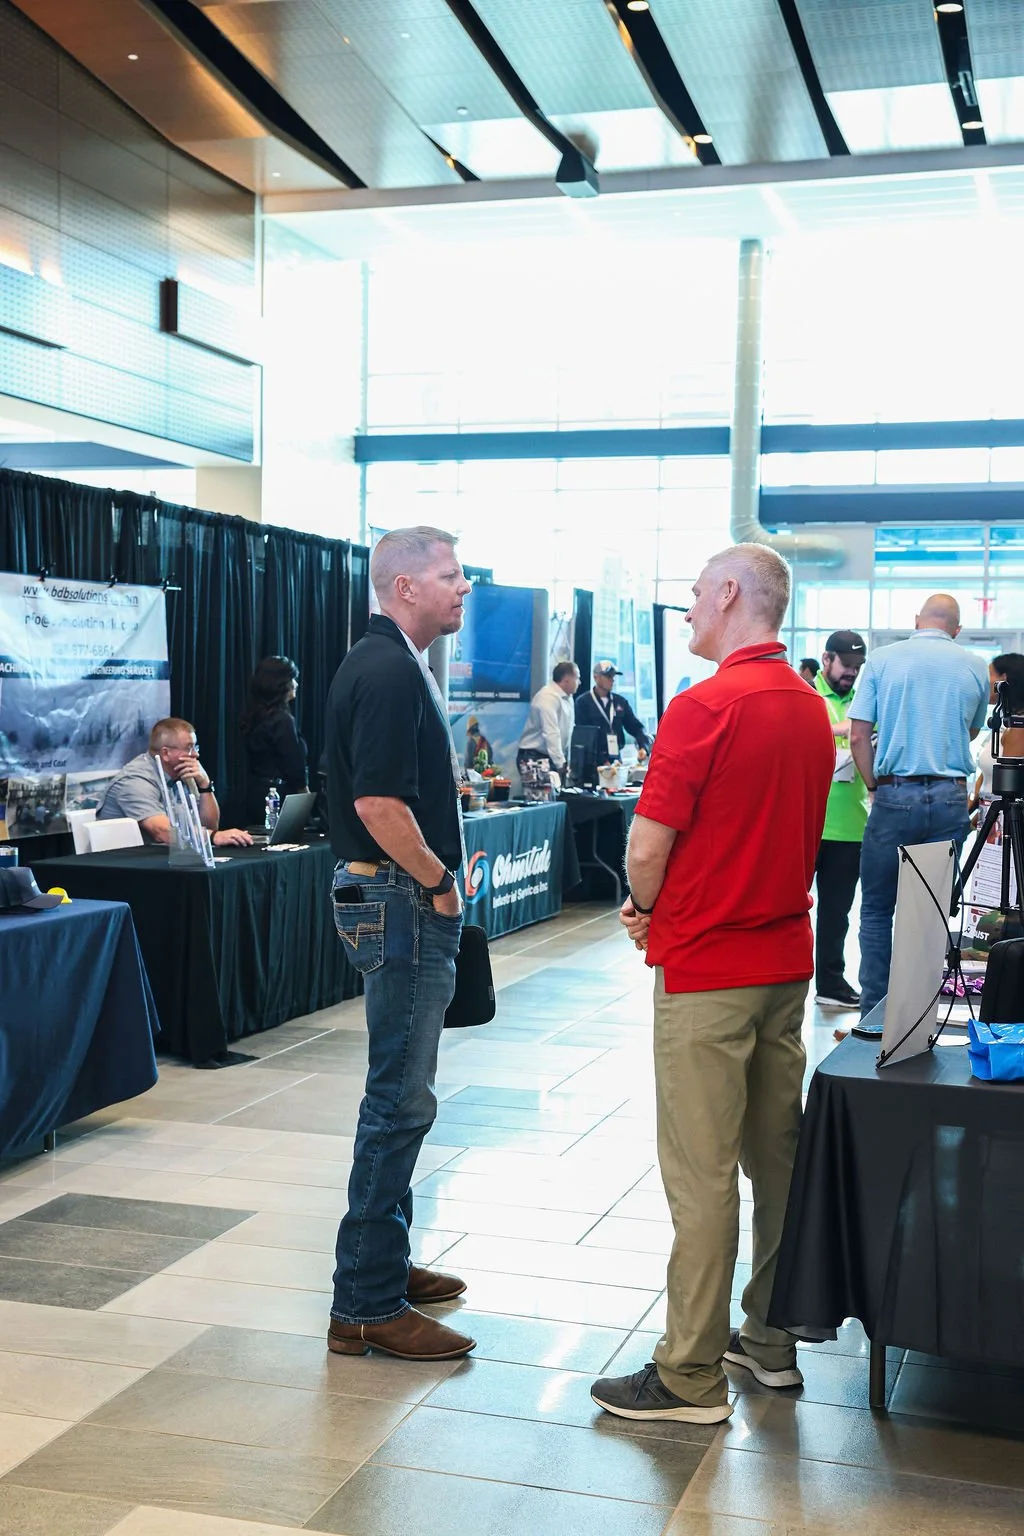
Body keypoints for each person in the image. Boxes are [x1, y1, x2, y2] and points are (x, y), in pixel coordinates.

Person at [590, 543, 834, 1426]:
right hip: (782, 965)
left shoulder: (704, 708)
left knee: (700, 1177)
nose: (689, 609)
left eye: (696, 594)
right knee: (778, 1161)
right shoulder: (812, 709)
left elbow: (647, 845)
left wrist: (642, 908)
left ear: (731, 594)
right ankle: (767, 1341)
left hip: (707, 972)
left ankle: (687, 1375)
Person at [324, 525, 475, 1364]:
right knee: (400, 1098)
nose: (464, 588)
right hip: (398, 897)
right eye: (450, 576)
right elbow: (382, 806)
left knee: (402, 1094)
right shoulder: (386, 669)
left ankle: (382, 1259)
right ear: (405, 586)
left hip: (388, 894)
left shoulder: (383, 660)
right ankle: (367, 1302)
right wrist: (437, 880)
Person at [849, 594, 988, 1021]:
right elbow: (970, 730)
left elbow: (857, 736)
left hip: (894, 795)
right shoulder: (974, 665)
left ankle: (874, 1015)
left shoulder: (883, 660)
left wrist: (875, 786)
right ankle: (919, 1018)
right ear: (957, 629)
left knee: (876, 908)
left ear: (916, 621)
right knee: (930, 914)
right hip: (949, 798)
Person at [812, 630, 869, 1011]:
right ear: (826, 659)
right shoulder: (808, 697)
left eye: (857, 668)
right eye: (846, 666)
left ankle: (830, 982)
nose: (851, 673)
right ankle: (783, 980)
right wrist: (840, 730)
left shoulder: (863, 701)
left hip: (850, 826)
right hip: (809, 823)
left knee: (837, 912)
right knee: (788, 908)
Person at [97, 718, 252, 847]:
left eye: (195, 747)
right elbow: (163, 832)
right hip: (121, 867)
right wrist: (214, 837)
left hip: (159, 858)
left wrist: (205, 785)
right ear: (166, 753)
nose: (195, 754)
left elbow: (209, 826)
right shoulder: (135, 781)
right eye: (189, 748)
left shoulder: (183, 774)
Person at [240, 655, 308, 825]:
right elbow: (294, 765)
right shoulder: (282, 720)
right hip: (280, 796)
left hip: (254, 793)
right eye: (292, 679)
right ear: (281, 684)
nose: (296, 684)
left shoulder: (251, 716)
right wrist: (305, 798)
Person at [970, 653, 1024, 810]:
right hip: (989, 811)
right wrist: (971, 808)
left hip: (1006, 819)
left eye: (989, 675)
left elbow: (1008, 783)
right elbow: (989, 772)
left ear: (1003, 681)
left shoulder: (1018, 729)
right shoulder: (1003, 722)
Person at [574, 661, 652, 764]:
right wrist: (602, 761)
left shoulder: (620, 702)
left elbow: (636, 727)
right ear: (596, 677)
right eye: (608, 676)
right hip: (592, 761)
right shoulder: (583, 702)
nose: (612, 679)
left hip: (615, 759)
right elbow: (584, 737)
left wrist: (643, 747)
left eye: (613, 676)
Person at [517, 661, 580, 780]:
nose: (579, 683)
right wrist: (561, 763)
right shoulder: (547, 697)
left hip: (551, 756)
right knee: (539, 796)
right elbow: (551, 733)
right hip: (533, 756)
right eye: (577, 678)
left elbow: (568, 733)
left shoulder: (568, 698)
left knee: (554, 796)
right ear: (566, 680)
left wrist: (566, 761)